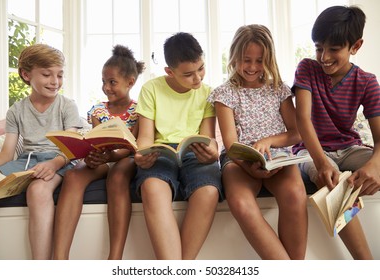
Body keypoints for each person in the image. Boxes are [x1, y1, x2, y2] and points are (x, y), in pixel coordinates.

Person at [208, 24, 308, 260]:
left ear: (269, 59)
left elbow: (297, 133)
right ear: (234, 57)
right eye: (246, 60)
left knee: (295, 194)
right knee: (241, 203)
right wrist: (248, 165)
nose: (252, 67)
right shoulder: (224, 93)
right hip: (240, 162)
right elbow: (231, 145)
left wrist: (269, 141)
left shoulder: (278, 90)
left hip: (278, 160)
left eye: (259, 60)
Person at [293, 5, 380, 259]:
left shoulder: (367, 81)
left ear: (355, 46)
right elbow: (303, 119)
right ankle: (367, 265)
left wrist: (375, 164)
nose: (324, 57)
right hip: (311, 151)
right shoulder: (307, 69)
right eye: (319, 47)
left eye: (334, 49)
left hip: (349, 148)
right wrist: (321, 162)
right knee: (333, 182)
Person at [134, 32, 223, 260]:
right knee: (152, 189)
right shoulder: (151, 89)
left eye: (201, 69)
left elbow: (208, 136)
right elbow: (144, 136)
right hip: (160, 152)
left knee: (209, 191)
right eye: (188, 74)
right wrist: (141, 154)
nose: (198, 79)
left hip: (195, 152)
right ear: (169, 72)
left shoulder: (207, 93)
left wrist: (212, 152)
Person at [53, 45, 145, 260]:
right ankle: (59, 258)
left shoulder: (140, 109)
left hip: (126, 159)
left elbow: (133, 145)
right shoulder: (97, 110)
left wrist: (113, 155)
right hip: (101, 159)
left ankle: (114, 259)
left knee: (119, 174)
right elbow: (95, 140)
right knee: (74, 174)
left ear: (130, 82)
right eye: (103, 82)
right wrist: (92, 154)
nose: (106, 87)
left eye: (112, 82)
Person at [0, 44, 81, 259]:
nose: (55, 82)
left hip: (59, 159)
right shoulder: (16, 110)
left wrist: (55, 164)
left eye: (59, 75)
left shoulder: (67, 106)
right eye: (47, 74)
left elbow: (72, 146)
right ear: (26, 74)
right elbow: (6, 154)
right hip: (25, 162)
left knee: (38, 191)